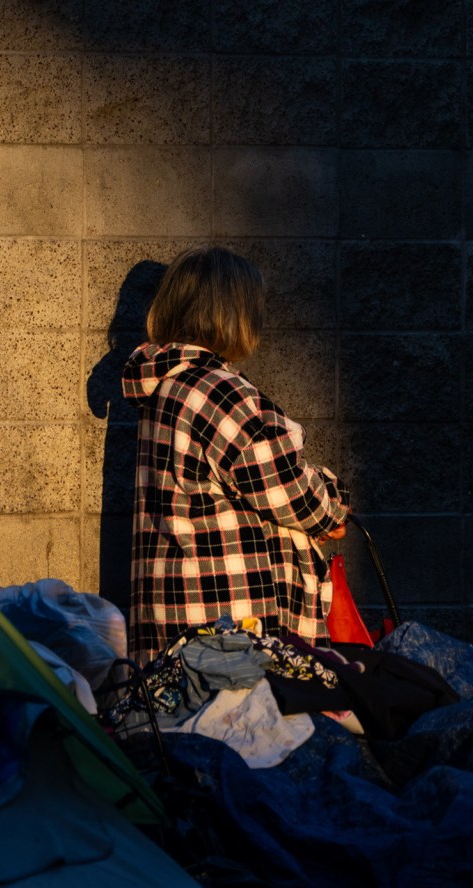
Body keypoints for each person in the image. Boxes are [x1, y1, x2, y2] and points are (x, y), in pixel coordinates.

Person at [121, 247, 349, 660]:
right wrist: (334, 500)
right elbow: (287, 490)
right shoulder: (216, 390)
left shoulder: (165, 386)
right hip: (228, 624)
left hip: (179, 613)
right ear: (233, 314)